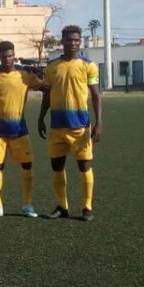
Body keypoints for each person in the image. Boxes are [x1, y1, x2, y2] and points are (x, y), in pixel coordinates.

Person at [38, 25, 103, 222]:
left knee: (84, 167)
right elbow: (47, 94)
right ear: (62, 41)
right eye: (69, 40)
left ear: (80, 41)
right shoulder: (52, 67)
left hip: (80, 126)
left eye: (76, 40)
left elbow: (95, 96)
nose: (73, 43)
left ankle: (87, 207)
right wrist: (41, 117)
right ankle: (62, 206)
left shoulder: (88, 65)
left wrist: (99, 122)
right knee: (57, 167)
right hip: (57, 126)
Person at [0, 41, 42, 219]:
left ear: (14, 55)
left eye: (10, 55)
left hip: (19, 128)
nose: (8, 59)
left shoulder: (25, 74)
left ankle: (27, 204)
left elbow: (44, 86)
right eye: (4, 56)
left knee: (27, 165)